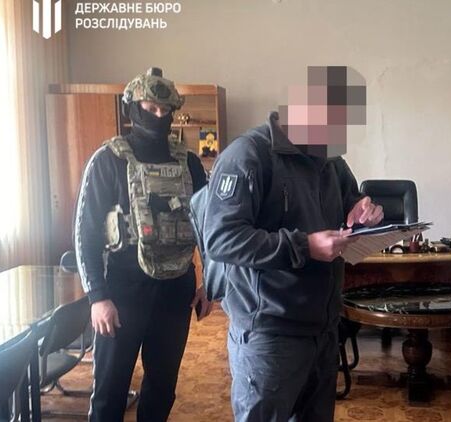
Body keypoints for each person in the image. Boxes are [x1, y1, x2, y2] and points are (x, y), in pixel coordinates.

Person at [201, 66, 383, 422]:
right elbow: (221, 238)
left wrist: (363, 209)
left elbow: (351, 200)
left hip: (323, 328)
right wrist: (304, 246)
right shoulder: (248, 155)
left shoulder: (330, 160)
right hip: (270, 334)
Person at [75, 67, 211, 422]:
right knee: (109, 391)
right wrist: (97, 297)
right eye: (150, 108)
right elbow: (86, 233)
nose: (158, 116)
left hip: (175, 291)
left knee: (162, 389)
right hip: (121, 293)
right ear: (133, 108)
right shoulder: (108, 160)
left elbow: (210, 227)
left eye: (165, 110)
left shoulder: (189, 163)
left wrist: (210, 284)